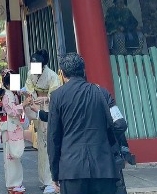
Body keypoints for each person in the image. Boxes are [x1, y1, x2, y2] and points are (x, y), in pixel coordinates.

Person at [47, 52, 119, 194]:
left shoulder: (57, 96)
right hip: (103, 166)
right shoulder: (102, 93)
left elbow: (53, 138)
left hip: (71, 169)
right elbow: (120, 124)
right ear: (83, 70)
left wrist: (55, 174)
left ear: (62, 73)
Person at [23, 49, 61, 194]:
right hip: (36, 106)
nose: (34, 68)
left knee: (49, 145)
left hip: (48, 109)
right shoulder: (31, 73)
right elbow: (29, 88)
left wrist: (46, 98)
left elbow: (56, 94)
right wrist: (31, 97)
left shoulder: (52, 76)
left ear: (43, 65)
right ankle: (44, 180)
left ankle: (52, 181)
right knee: (41, 145)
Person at [0, 69, 32, 194]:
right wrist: (23, 104)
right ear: (8, 84)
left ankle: (14, 183)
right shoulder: (8, 95)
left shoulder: (9, 93)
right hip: (10, 128)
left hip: (11, 128)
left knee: (13, 157)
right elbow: (12, 112)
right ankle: (13, 185)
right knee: (11, 157)